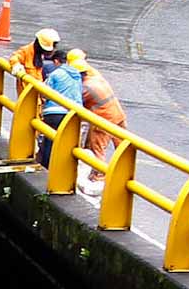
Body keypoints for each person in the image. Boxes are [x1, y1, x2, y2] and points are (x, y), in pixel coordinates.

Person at [65, 49, 126, 195]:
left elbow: (74, 102)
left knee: (97, 149)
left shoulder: (86, 87)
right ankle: (124, 176)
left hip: (104, 120)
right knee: (123, 149)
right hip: (118, 114)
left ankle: (99, 177)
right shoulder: (95, 76)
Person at [37, 49, 82, 168]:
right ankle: (61, 169)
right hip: (72, 113)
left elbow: (45, 93)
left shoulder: (55, 74)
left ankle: (46, 167)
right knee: (66, 144)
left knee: (49, 141)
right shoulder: (77, 75)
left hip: (53, 112)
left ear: (56, 61)